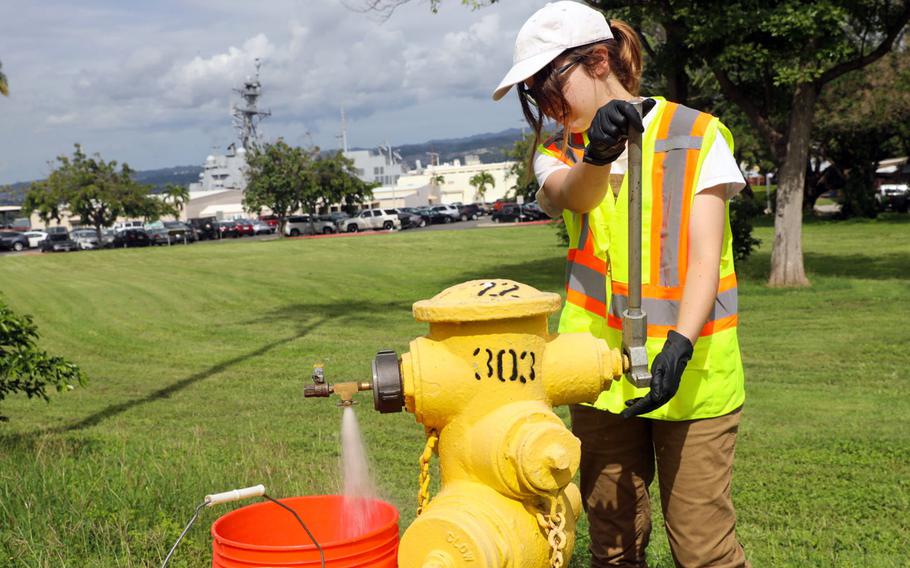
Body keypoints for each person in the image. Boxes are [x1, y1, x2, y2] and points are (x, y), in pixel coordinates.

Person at [492, 2, 750, 567]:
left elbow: (706, 259)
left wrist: (679, 343)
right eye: (533, 93)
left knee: (703, 548)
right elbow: (575, 195)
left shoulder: (697, 135)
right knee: (612, 544)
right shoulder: (557, 154)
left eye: (549, 83)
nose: (546, 104)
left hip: (696, 376)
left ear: (600, 60)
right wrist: (600, 152)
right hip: (597, 378)